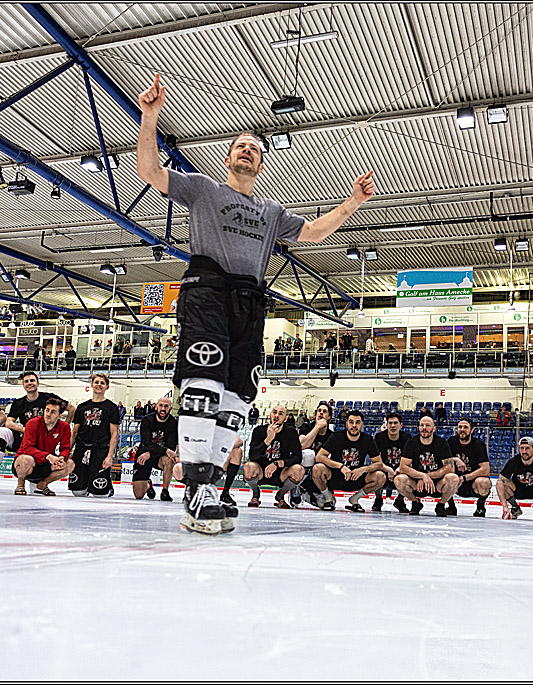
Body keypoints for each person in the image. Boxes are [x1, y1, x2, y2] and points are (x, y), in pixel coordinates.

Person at [138, 75, 374, 534]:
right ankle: (197, 488)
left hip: (250, 300)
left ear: (262, 165)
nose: (247, 151)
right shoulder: (204, 188)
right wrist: (150, 118)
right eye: (240, 146)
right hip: (207, 291)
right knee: (203, 386)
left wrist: (352, 203)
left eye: (255, 149)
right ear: (228, 157)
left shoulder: (271, 213)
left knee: (239, 396)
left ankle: (210, 485)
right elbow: (150, 172)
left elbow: (315, 232)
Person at [0, 370, 74, 493]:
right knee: (1, 432)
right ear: (23, 384)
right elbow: (9, 423)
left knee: (70, 464)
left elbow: (72, 409)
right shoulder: (19, 403)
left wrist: (61, 427)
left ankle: (41, 485)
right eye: (26, 381)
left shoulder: (49, 398)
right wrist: (25, 429)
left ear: (38, 383)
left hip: (45, 444)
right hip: (27, 440)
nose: (29, 383)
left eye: (32, 380)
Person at [312, 410, 386, 512]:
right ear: (346, 423)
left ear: (362, 424)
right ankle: (328, 498)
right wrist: (340, 466)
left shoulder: (368, 439)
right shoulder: (336, 436)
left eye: (358, 422)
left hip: (356, 478)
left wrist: (363, 469)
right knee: (317, 468)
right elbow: (320, 457)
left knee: (380, 476)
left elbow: (379, 463)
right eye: (351, 422)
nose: (354, 425)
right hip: (336, 476)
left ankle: (355, 499)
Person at [68, 373, 121, 498]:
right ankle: (84, 484)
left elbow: (114, 434)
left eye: (102, 383)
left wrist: (109, 456)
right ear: (91, 385)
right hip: (81, 448)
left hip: (100, 449)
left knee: (99, 494)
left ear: (107, 387)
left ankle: (108, 487)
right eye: (96, 382)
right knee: (78, 492)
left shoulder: (111, 408)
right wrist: (67, 452)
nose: (99, 385)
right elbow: (74, 432)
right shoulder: (82, 407)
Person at [395, 416, 459, 517]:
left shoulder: (442, 443)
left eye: (428, 425)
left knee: (453, 478)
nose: (424, 428)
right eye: (422, 425)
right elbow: (403, 467)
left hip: (437, 484)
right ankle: (415, 502)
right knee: (399, 479)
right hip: (417, 484)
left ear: (434, 429)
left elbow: (450, 468)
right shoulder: (411, 442)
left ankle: (441, 504)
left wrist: (427, 476)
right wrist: (422, 476)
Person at [243, 404, 304, 508]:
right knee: (248, 467)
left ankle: (280, 496)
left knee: (299, 470)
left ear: (285, 419)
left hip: (280, 472)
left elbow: (297, 457)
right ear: (270, 415)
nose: (276, 416)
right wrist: (268, 440)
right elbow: (252, 456)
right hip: (261, 471)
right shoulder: (259, 430)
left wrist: (278, 463)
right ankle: (255, 494)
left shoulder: (291, 432)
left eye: (280, 414)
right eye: (274, 412)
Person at [11, 397, 73, 496]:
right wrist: (48, 456)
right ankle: (20, 484)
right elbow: (27, 448)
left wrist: (61, 458)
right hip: (28, 462)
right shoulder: (32, 423)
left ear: (60, 415)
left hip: (45, 464)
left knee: (70, 464)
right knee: (26, 459)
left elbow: (65, 448)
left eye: (53, 412)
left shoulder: (64, 427)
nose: (48, 414)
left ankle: (43, 484)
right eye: (47, 410)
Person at [134, 396, 180, 503]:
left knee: (169, 460)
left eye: (166, 406)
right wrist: (161, 451)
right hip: (144, 456)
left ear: (170, 409)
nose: (163, 408)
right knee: (138, 495)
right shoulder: (146, 420)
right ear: (156, 407)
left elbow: (171, 448)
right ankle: (148, 484)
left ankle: (165, 491)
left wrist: (153, 453)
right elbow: (146, 443)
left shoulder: (174, 424)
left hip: (159, 458)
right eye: (161, 405)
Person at [446, 419, 492, 517]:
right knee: (443, 477)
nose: (462, 429)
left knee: (485, 482)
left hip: (473, 483)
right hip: (455, 483)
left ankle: (480, 506)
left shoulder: (478, 445)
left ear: (472, 430)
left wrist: (465, 477)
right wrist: (455, 459)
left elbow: (485, 469)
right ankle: (451, 506)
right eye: (460, 427)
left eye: (466, 427)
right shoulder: (451, 442)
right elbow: (442, 462)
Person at [295, 402, 335, 506]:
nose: (321, 413)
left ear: (329, 417)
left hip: (319, 471)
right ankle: (296, 488)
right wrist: (317, 428)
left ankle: (307, 495)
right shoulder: (306, 427)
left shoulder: (332, 436)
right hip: (303, 471)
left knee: (327, 503)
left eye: (324, 412)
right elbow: (302, 445)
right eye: (319, 411)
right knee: (308, 455)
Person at [373, 411, 413, 512]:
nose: (393, 426)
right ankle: (378, 499)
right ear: (386, 425)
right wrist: (388, 470)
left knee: (410, 472)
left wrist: (399, 469)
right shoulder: (379, 437)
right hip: (384, 470)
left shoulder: (407, 438)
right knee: (375, 472)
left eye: (395, 423)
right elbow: (377, 461)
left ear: (401, 425)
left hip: (400, 470)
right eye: (390, 423)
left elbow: (409, 461)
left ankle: (400, 500)